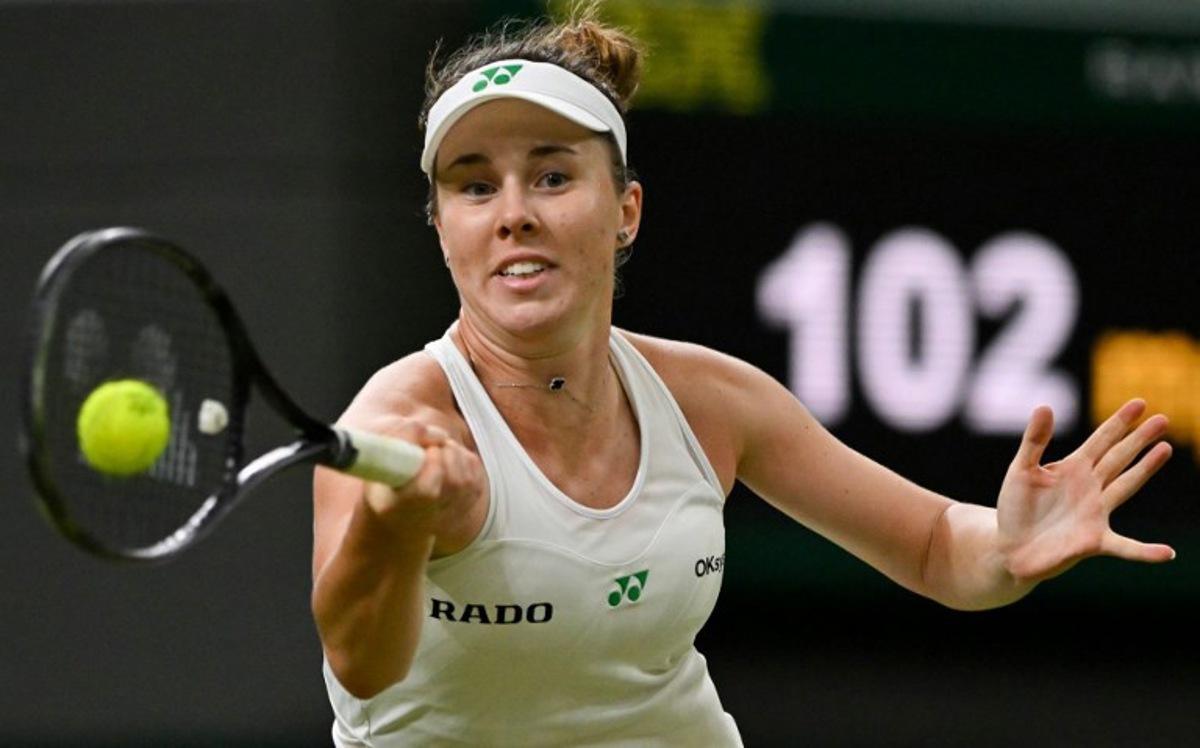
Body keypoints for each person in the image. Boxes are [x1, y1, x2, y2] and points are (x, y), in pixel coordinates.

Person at [309, 13, 1176, 747]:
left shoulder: (711, 401)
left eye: (551, 175)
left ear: (625, 212)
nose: (514, 214)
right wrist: (398, 523)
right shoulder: (397, 423)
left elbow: (932, 547)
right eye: (473, 187)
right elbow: (362, 664)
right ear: (442, 230)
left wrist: (1006, 548)